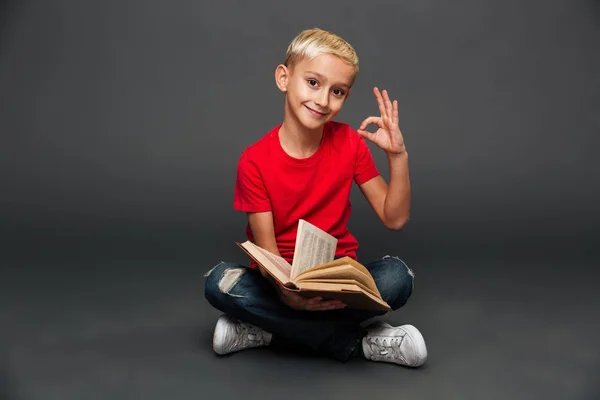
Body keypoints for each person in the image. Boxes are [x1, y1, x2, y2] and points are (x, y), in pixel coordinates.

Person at [204, 28, 427, 367]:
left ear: (346, 97)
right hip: (279, 285)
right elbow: (267, 253)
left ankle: (267, 331)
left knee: (398, 277)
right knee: (219, 282)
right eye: (313, 83)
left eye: (337, 91)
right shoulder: (254, 160)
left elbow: (394, 217)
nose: (323, 100)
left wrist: (398, 156)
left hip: (335, 281)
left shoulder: (349, 143)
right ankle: (358, 344)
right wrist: (288, 296)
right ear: (284, 78)